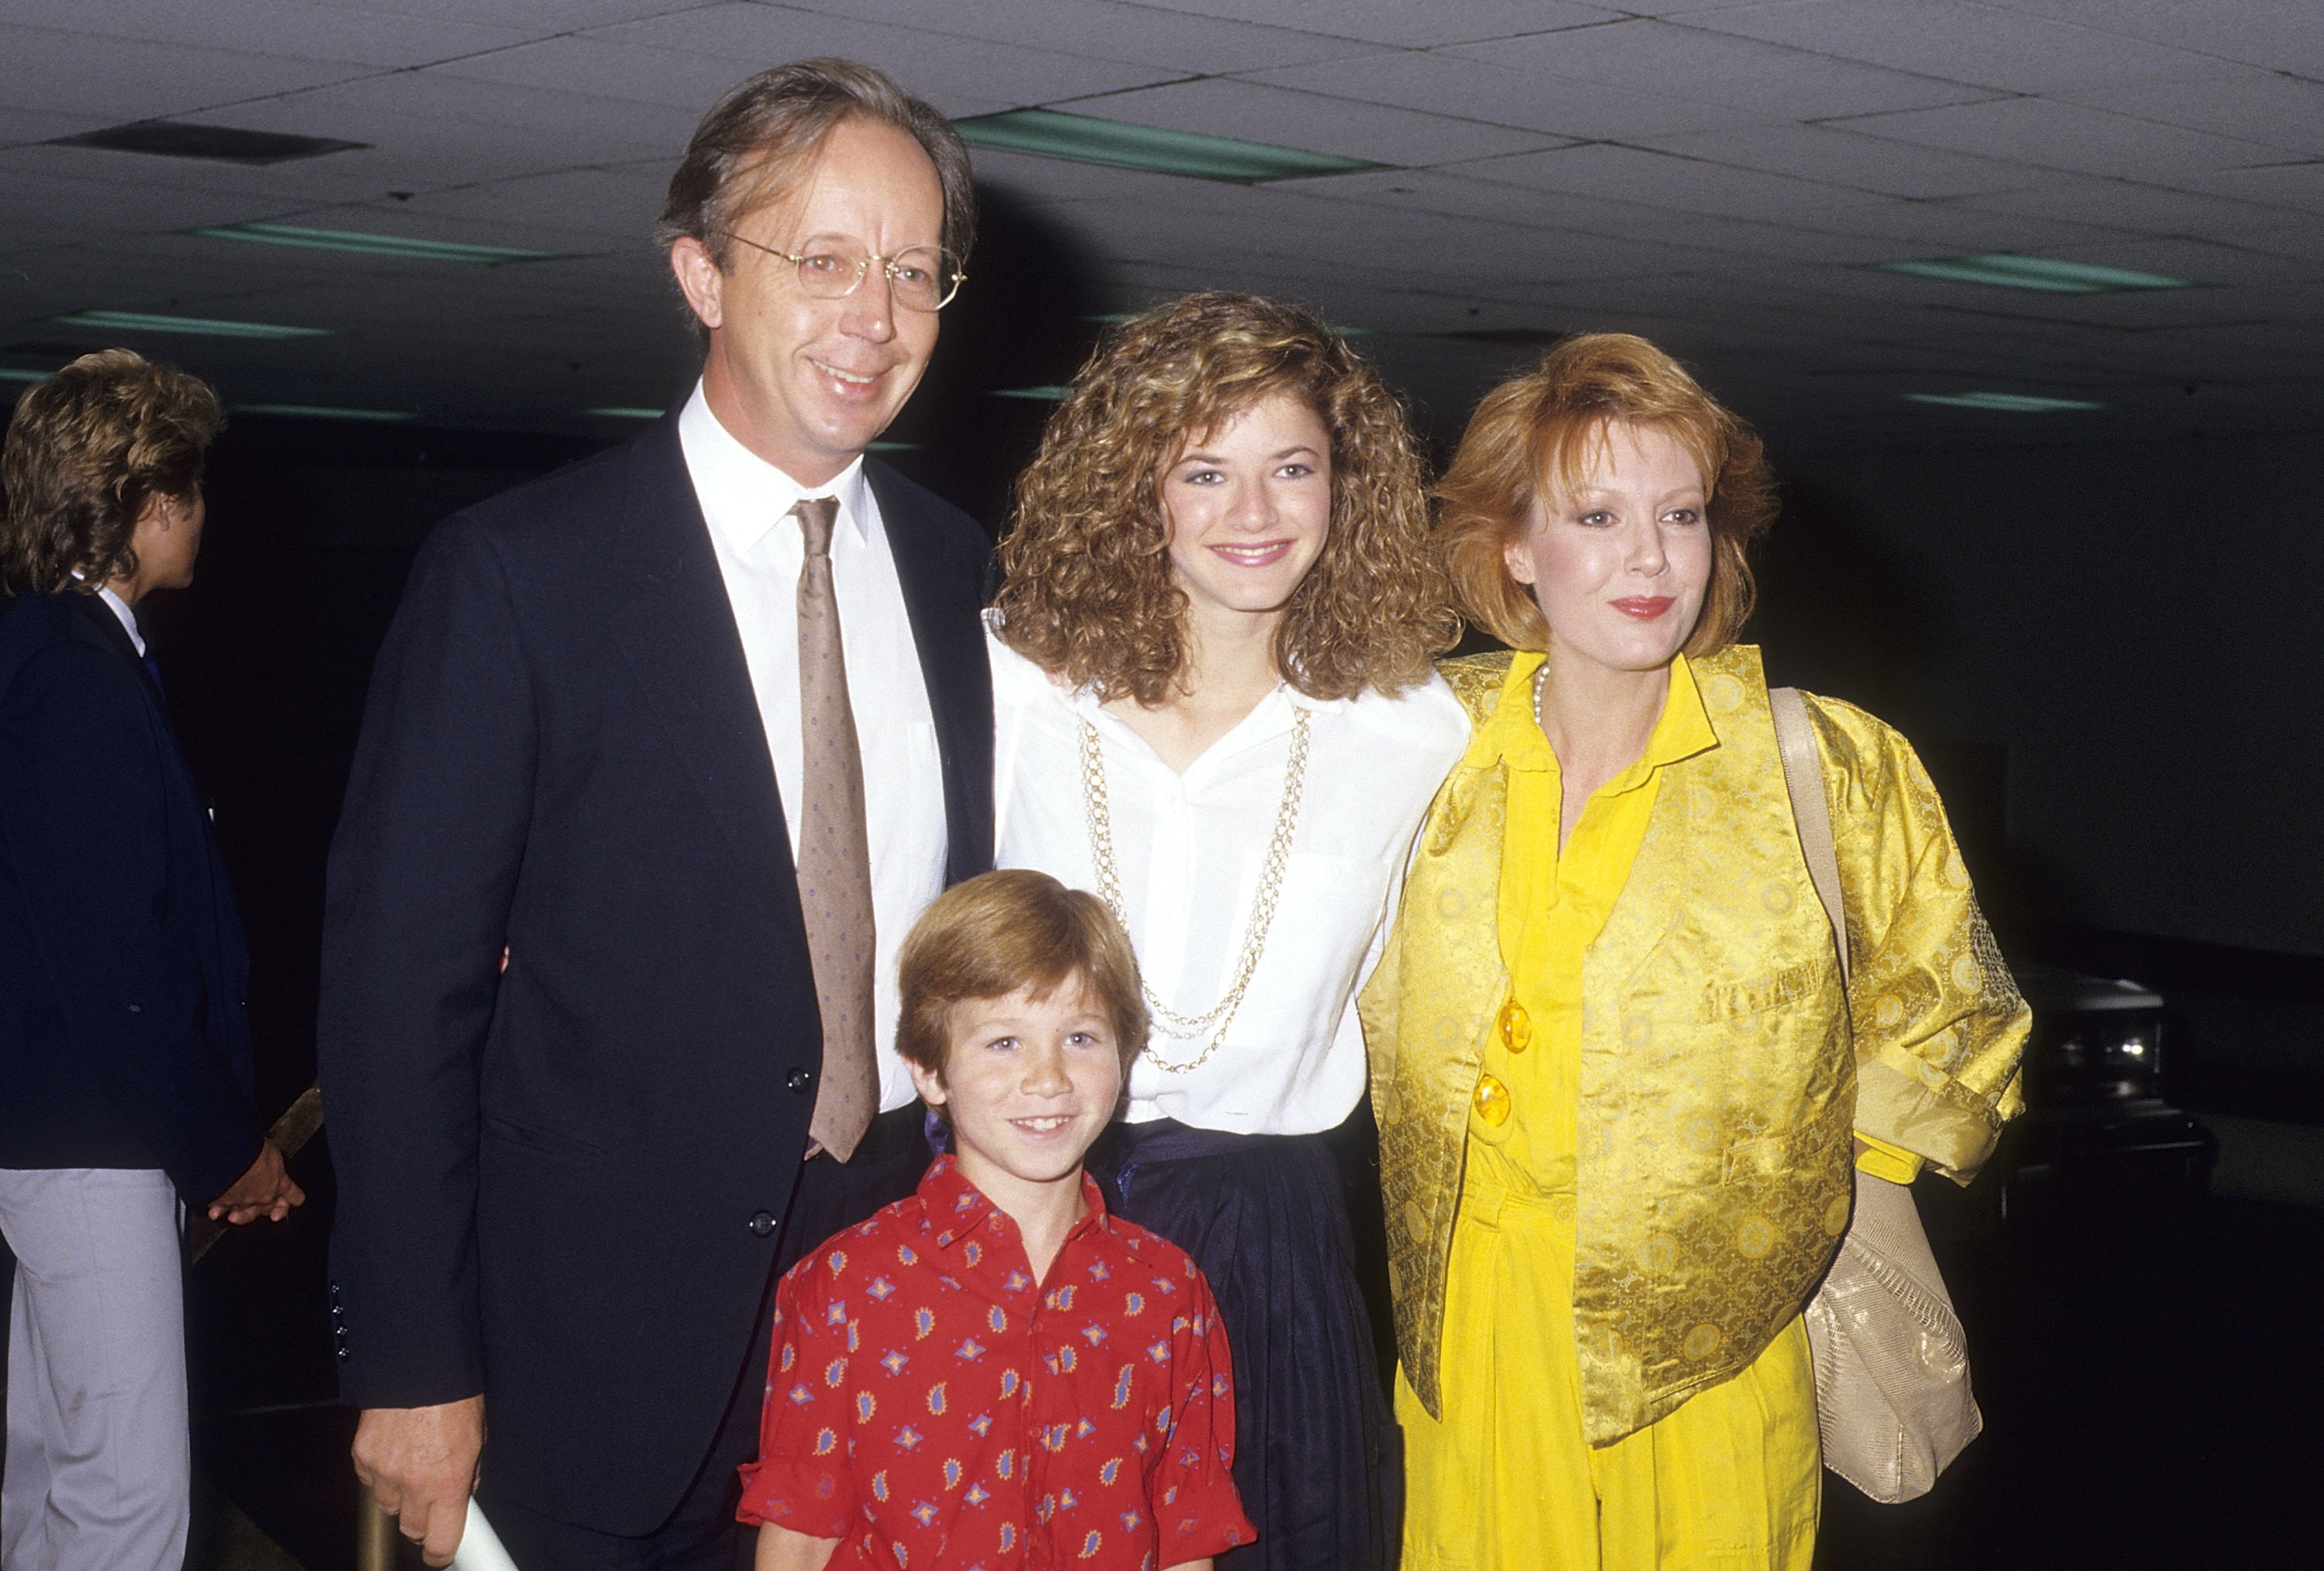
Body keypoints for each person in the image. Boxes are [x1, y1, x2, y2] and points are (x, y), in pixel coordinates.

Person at [318, 59, 993, 1569]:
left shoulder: (967, 583)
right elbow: (392, 1004)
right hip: (589, 1365)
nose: (872, 318)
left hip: (891, 1328)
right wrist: (414, 1362)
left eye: (911, 271)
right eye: (821, 261)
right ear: (699, 273)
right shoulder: (520, 576)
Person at [1360, 332, 2030, 1569]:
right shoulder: (1415, 746)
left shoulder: (1820, 765)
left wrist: (1807, 1196)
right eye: (1598, 514)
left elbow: (1955, 1013)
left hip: (1713, 1352)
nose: (1649, 557)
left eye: (1679, 513)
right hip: (1474, 1334)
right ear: (1515, 546)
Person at [985, 290, 1466, 1571]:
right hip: (1024, 1224)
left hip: (1269, 1257)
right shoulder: (1015, 689)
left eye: (1291, 467)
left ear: (1341, 485)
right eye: (1207, 470)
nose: (1255, 515)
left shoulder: (1413, 730)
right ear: (1137, 488)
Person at [0, 349, 304, 1571]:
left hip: (48, 1130)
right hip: (91, 1140)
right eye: (194, 487)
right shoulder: (78, 678)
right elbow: (114, 963)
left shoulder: (44, 652)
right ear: (147, 504)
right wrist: (226, 1143)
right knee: (129, 1501)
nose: (205, 514)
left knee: (45, 1474)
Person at [738, 868, 1255, 1571]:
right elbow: (798, 1538)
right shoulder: (844, 1285)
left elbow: (1186, 1535)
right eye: (1003, 1042)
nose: (1049, 1079)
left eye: (1081, 1037)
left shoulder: (1168, 1292)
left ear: (1125, 1057)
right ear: (928, 1070)